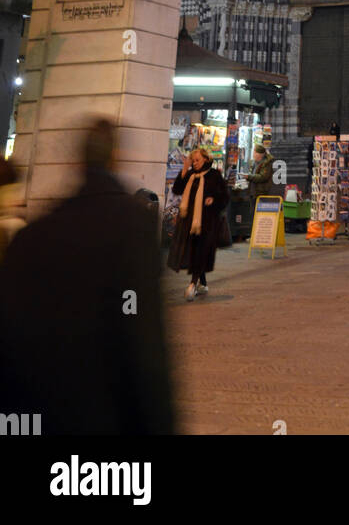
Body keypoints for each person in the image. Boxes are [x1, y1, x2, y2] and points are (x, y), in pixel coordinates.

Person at [0, 117, 174, 433]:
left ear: (77, 162)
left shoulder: (34, 234)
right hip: (104, 418)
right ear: (115, 157)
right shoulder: (132, 226)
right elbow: (144, 342)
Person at [168, 146, 229, 300]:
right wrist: (184, 169)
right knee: (195, 250)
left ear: (206, 160)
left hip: (208, 222)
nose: (194, 163)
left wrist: (213, 200)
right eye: (193, 160)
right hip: (190, 221)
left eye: (197, 160)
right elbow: (177, 189)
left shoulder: (214, 175)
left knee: (200, 250)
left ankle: (192, 285)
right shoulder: (190, 174)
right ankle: (202, 282)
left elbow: (225, 197)